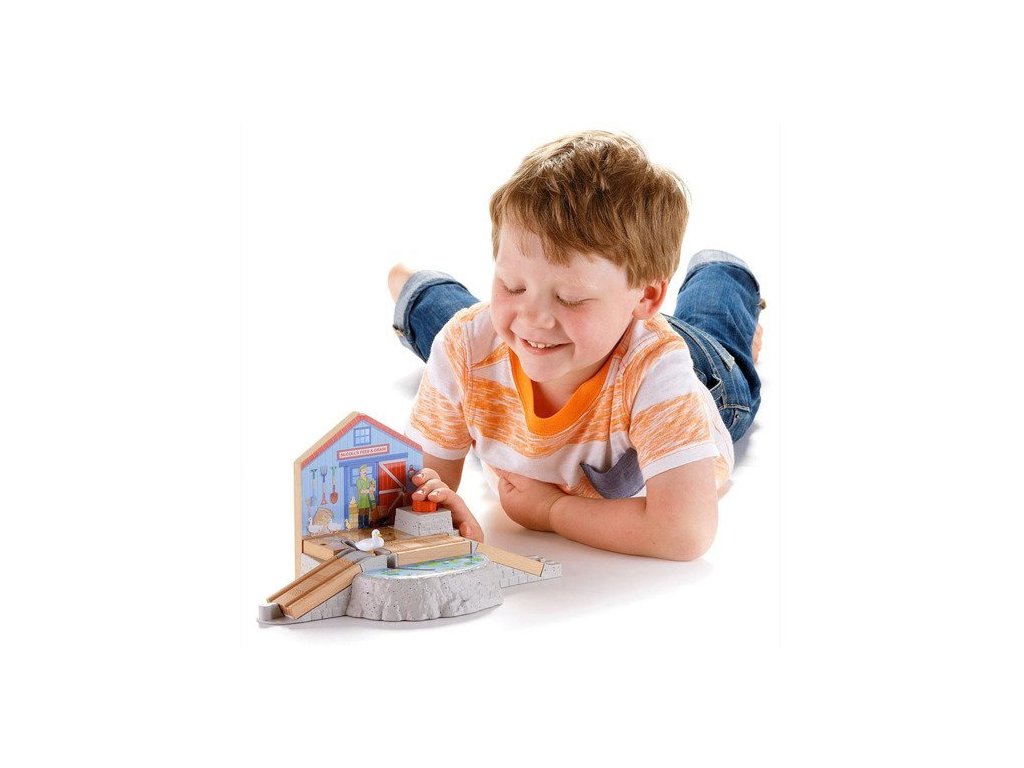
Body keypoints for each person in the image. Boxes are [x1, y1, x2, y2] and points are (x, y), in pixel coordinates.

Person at [388, 131, 763, 561]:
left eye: (570, 298)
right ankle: (416, 287)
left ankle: (721, 270)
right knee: (461, 326)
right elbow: (422, 485)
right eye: (512, 284)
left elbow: (684, 532)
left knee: (720, 344)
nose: (533, 317)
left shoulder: (660, 372)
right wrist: (436, 511)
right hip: (572, 341)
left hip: (702, 375)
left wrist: (551, 510)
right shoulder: (470, 345)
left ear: (645, 296)